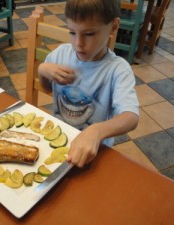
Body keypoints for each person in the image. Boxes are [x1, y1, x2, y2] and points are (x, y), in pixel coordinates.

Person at [38, 0, 139, 168]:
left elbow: (131, 117)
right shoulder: (59, 55)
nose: (78, 43)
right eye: (72, 32)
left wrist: (97, 131)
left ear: (113, 26)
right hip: (55, 140)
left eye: (89, 34)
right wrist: (42, 70)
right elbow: (47, 89)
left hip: (92, 152)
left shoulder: (117, 69)